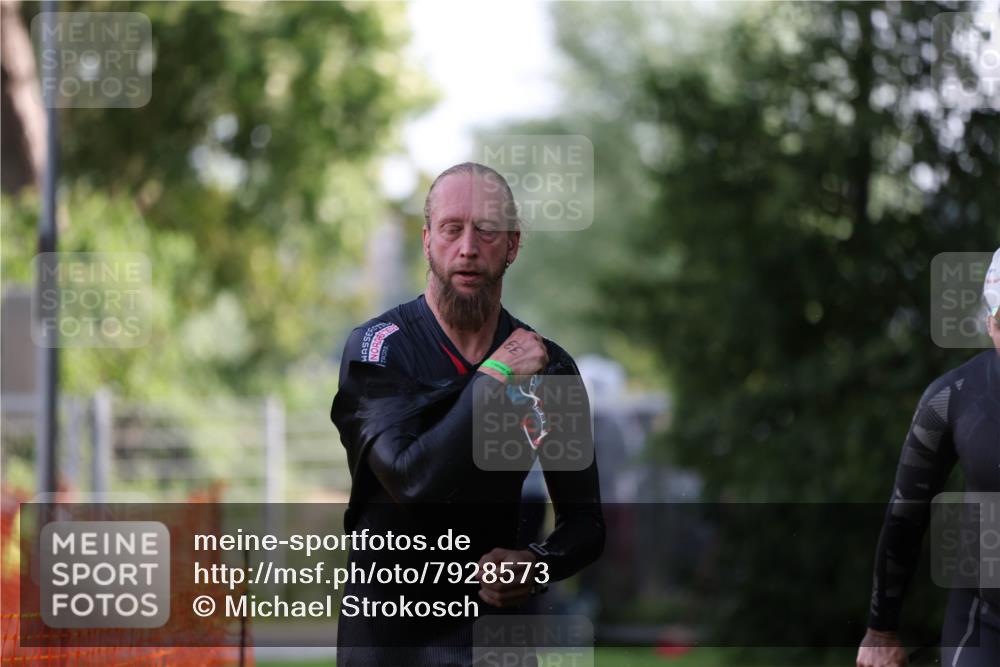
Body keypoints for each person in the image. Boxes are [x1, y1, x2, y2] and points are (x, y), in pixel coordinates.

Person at [330, 162, 606, 667]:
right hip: (388, 643)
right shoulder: (378, 349)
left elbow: (585, 522)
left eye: (487, 230)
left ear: (514, 244)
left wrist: (536, 563)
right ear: (427, 239)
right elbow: (413, 481)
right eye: (452, 229)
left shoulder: (549, 369)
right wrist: (498, 373)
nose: (468, 247)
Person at [857, 248, 1000, 667]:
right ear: (991, 323)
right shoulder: (953, 399)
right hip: (986, 622)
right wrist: (881, 630)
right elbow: (906, 513)